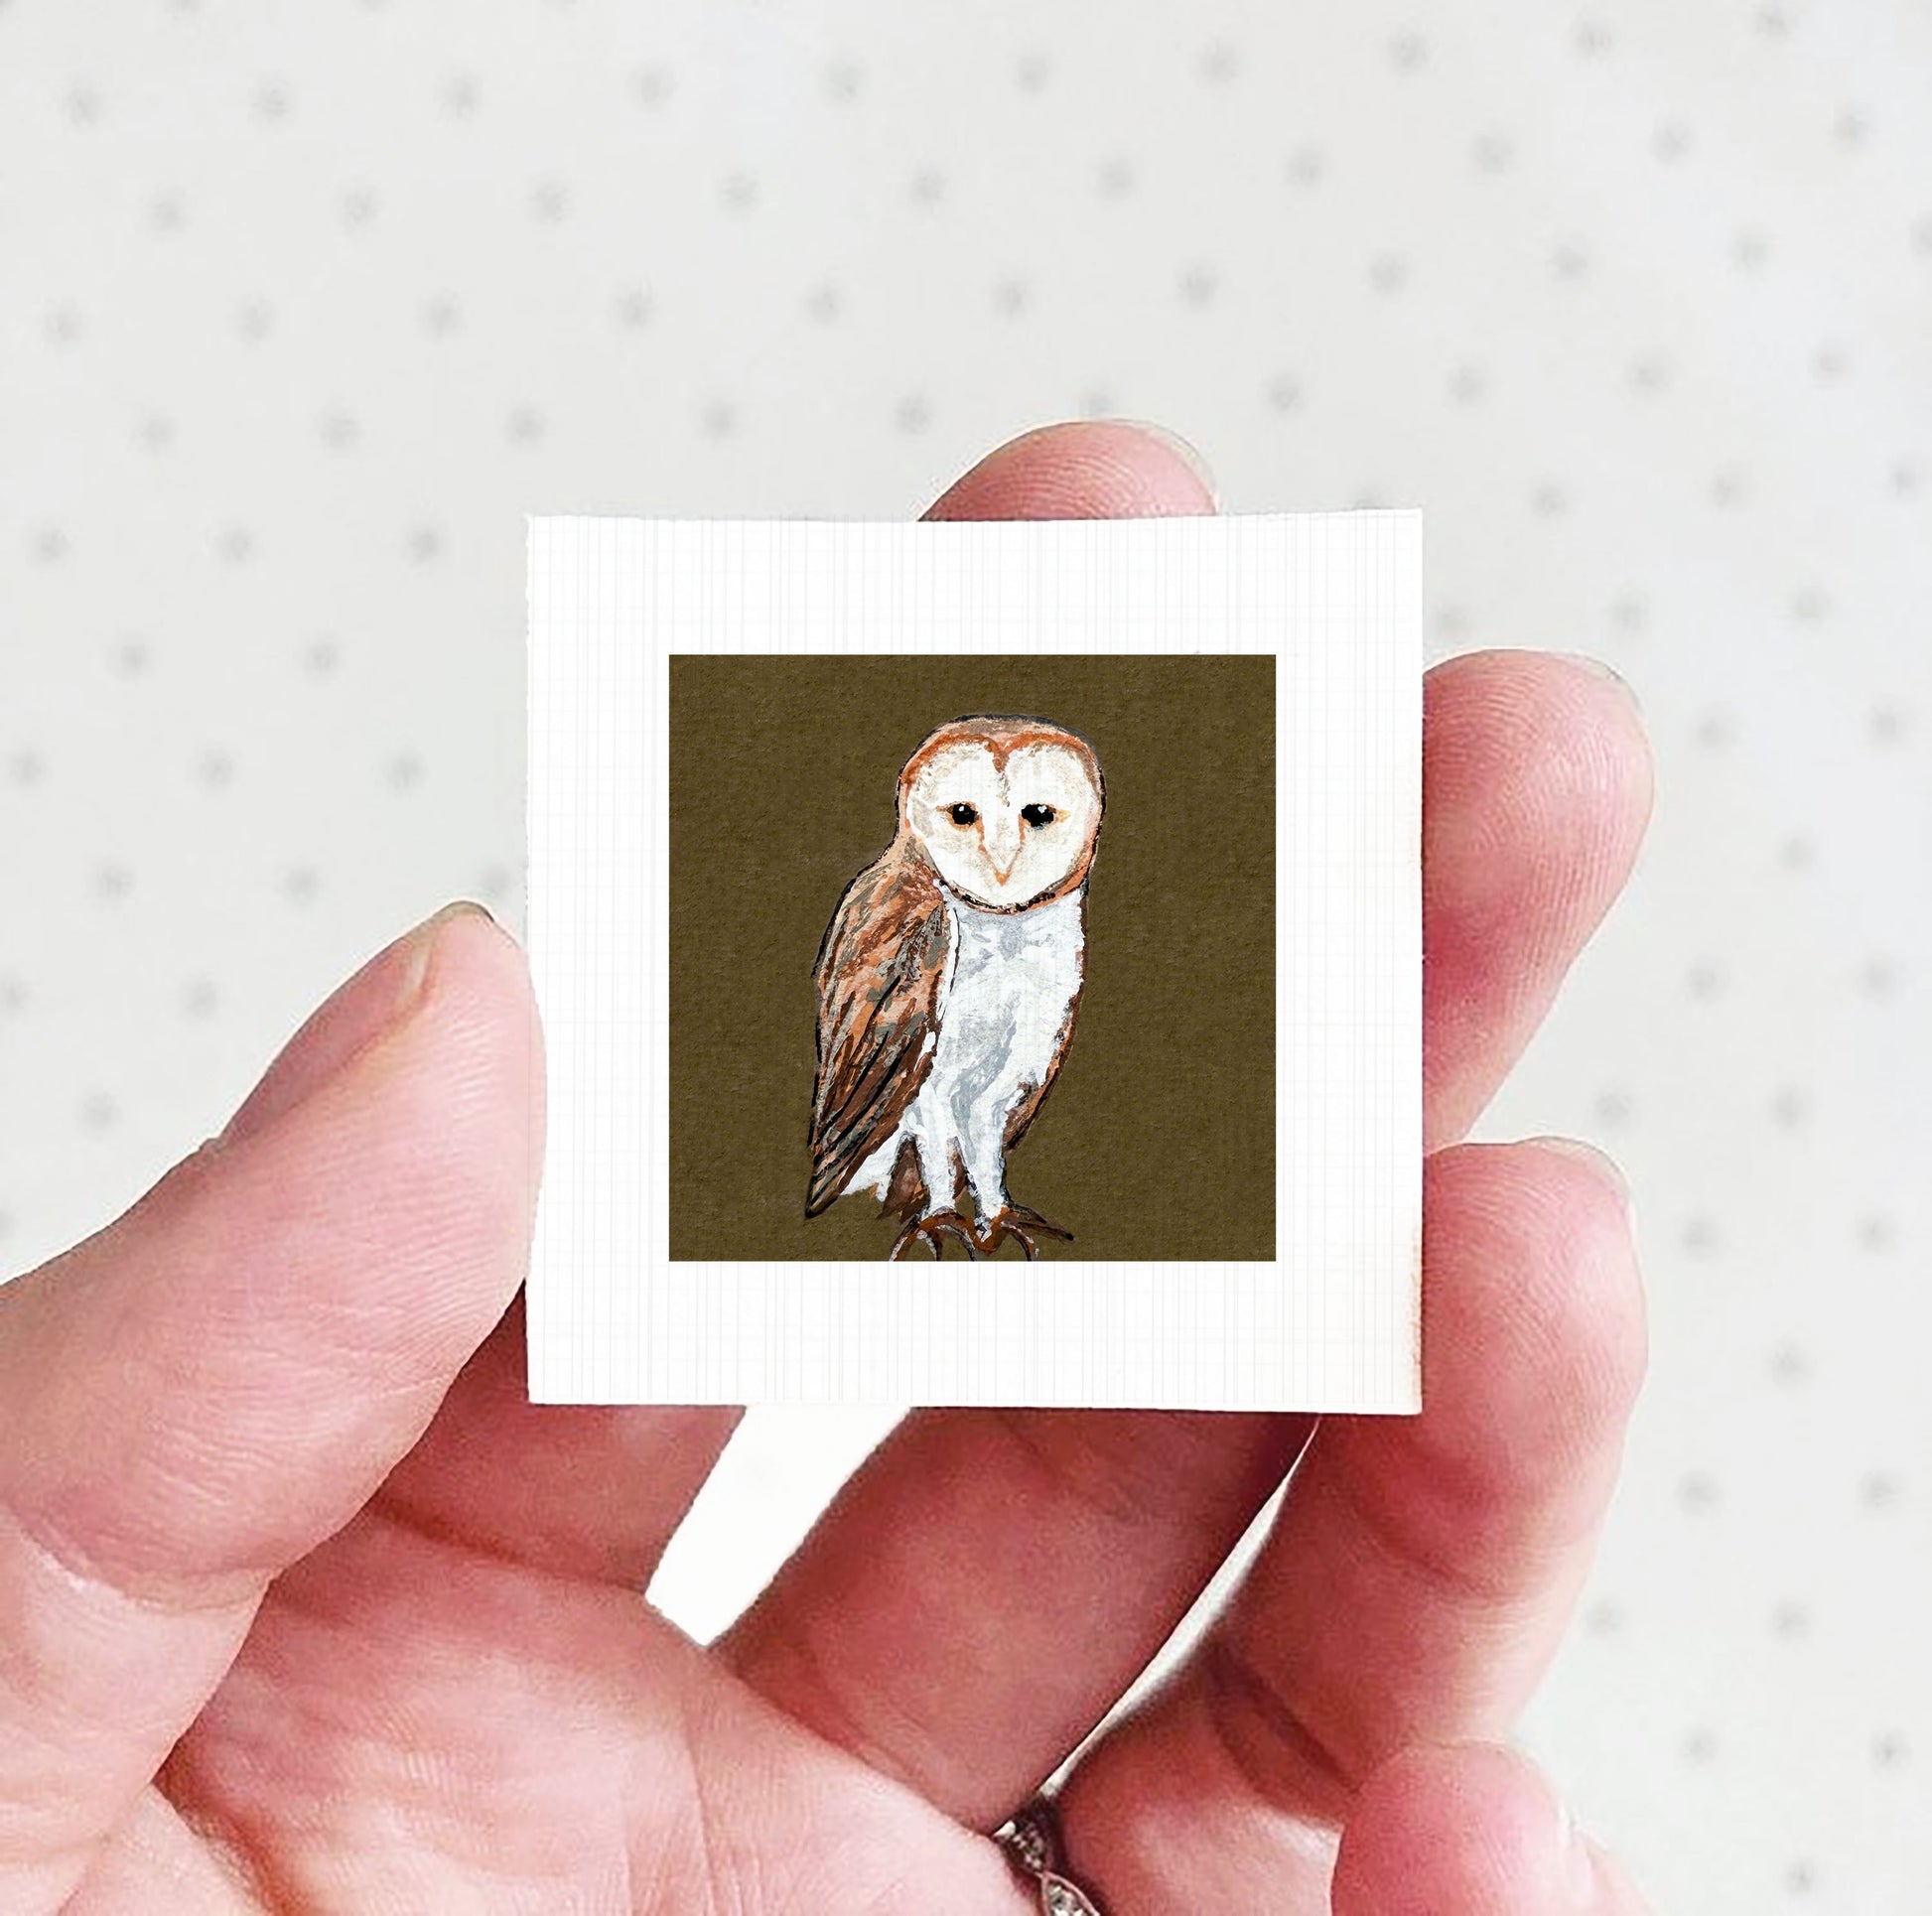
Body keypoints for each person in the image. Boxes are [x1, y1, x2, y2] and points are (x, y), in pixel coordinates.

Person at [0, 422, 1652, 1913]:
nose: (1000, 854)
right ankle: (951, 1200)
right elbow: (913, 1059)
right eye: (968, 822)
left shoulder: (1054, 927)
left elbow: (1013, 1065)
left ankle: (977, 1200)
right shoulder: (904, 914)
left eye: (1035, 825)